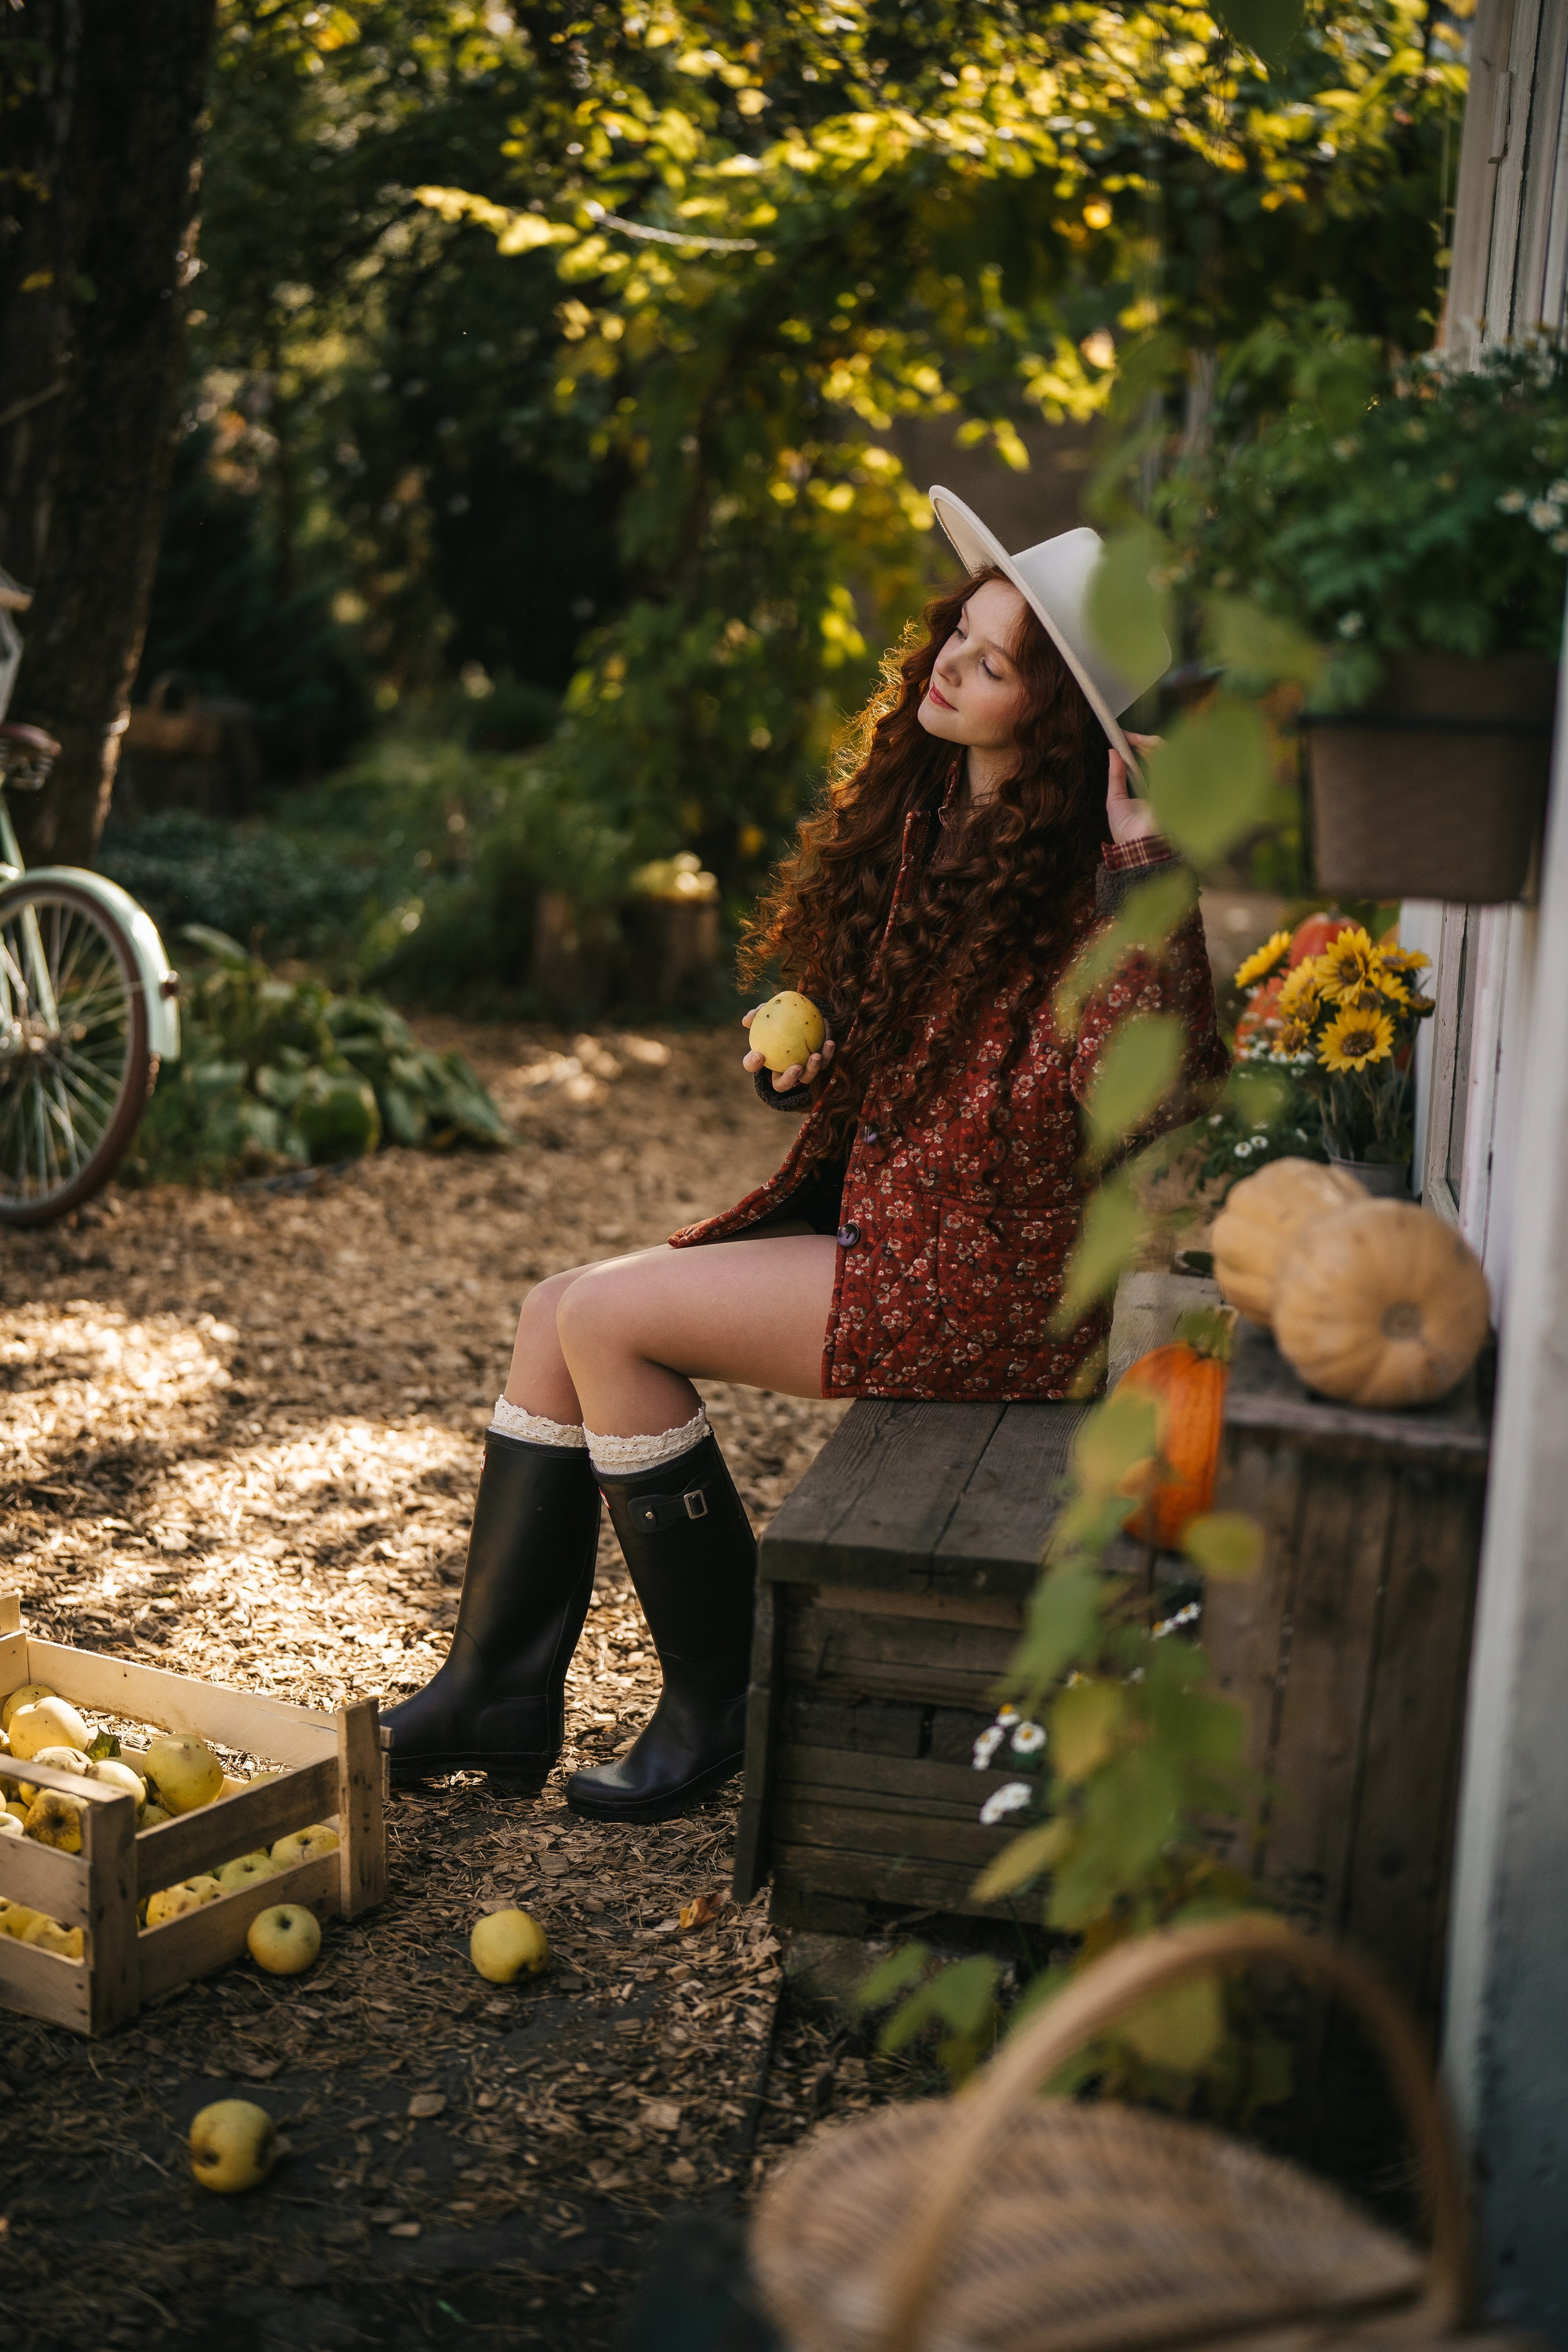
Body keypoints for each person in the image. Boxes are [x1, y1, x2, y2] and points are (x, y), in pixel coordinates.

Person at [382, 491, 1227, 1826]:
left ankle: (720, 1703)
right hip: (910, 1236)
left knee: (604, 1319)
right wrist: (816, 1069)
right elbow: (929, 1078)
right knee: (552, 1309)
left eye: (992, 658)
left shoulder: (1094, 885)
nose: (949, 659)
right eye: (960, 630)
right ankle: (490, 1685)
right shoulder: (932, 827)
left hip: (997, 1286)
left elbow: (1155, 1095)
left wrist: (1142, 870)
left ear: (1051, 714)